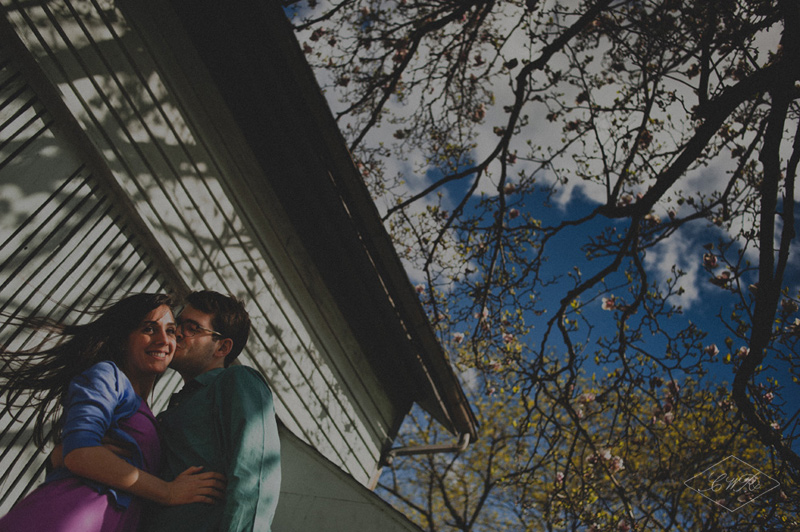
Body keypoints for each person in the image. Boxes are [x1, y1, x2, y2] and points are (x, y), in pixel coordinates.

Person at [0, 293, 226, 532]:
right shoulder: (109, 376)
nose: (163, 339)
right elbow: (81, 454)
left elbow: (76, 455)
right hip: (63, 520)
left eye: (170, 331)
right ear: (123, 339)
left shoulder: (148, 414)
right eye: (149, 329)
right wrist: (168, 492)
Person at [143, 290, 281, 532]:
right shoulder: (176, 407)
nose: (178, 333)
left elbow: (254, 478)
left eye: (193, 328)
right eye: (178, 324)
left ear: (222, 348)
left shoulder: (237, 381)